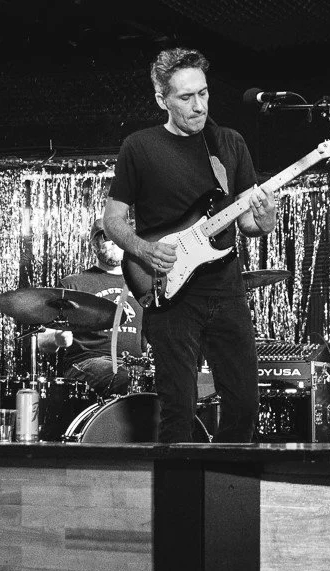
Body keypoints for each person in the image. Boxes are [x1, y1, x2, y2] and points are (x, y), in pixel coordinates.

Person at [101, 47, 277, 443]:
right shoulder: (139, 147)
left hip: (226, 287)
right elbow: (112, 221)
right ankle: (178, 501)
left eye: (203, 93)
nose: (199, 106)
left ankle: (229, 497)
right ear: (162, 99)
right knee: (179, 411)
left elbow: (247, 219)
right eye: (186, 97)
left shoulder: (229, 143)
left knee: (244, 407)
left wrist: (264, 221)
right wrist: (143, 250)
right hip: (171, 292)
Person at [37, 218, 145, 395]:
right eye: (107, 236)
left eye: (119, 236)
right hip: (88, 362)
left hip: (135, 365)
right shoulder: (72, 285)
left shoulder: (141, 284)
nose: (114, 241)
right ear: (94, 244)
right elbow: (42, 341)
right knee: (125, 377)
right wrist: (58, 338)